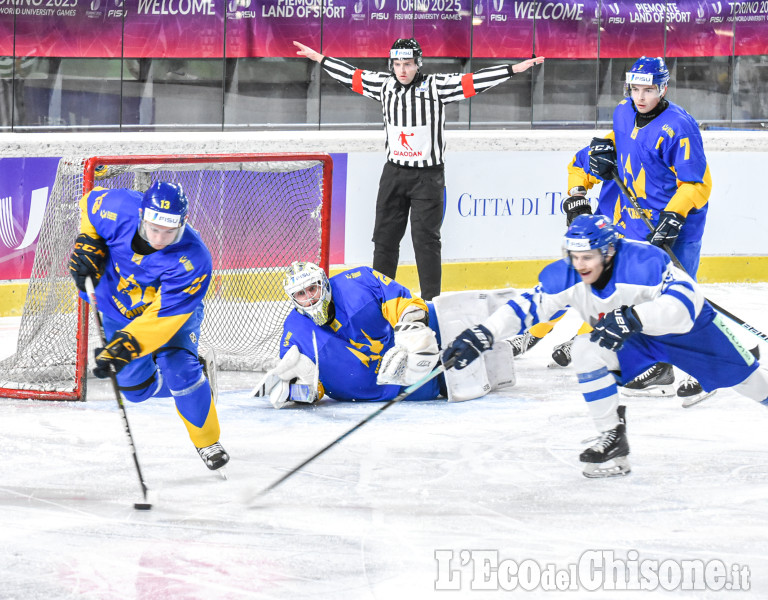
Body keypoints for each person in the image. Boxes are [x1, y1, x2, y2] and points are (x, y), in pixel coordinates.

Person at [442, 214, 768, 478]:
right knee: (585, 351)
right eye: (575, 257)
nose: (581, 265)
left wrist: (635, 317)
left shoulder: (643, 264)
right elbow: (525, 308)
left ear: (609, 252)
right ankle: (613, 438)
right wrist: (482, 334)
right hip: (636, 340)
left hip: (691, 333)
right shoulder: (568, 277)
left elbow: (685, 305)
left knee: (753, 385)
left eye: (589, 257)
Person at [292, 39, 544, 301]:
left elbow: (472, 82)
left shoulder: (435, 87)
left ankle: (431, 302)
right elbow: (352, 76)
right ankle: (382, 299)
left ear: (418, 64)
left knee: (426, 243)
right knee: (384, 240)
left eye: (408, 64)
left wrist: (512, 70)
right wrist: (321, 59)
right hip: (394, 176)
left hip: (428, 178)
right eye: (397, 64)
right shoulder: (384, 85)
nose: (402, 70)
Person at [67, 180, 229, 471]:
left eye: (169, 231)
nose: (159, 238)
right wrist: (88, 241)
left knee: (179, 368)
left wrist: (127, 345)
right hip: (119, 307)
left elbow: (163, 319)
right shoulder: (119, 207)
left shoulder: (194, 259)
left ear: (183, 223)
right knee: (135, 390)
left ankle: (207, 441)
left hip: (171, 314)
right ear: (141, 215)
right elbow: (89, 205)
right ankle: (197, 382)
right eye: (153, 229)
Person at [252, 262, 517, 407]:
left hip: (429, 335)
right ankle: (509, 349)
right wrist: (299, 391)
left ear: (324, 282)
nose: (309, 298)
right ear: (293, 300)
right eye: (301, 294)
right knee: (479, 367)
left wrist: (413, 332)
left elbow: (405, 303)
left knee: (476, 323)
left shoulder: (359, 281)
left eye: (312, 289)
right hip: (410, 387)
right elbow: (314, 390)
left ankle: (525, 329)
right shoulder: (294, 333)